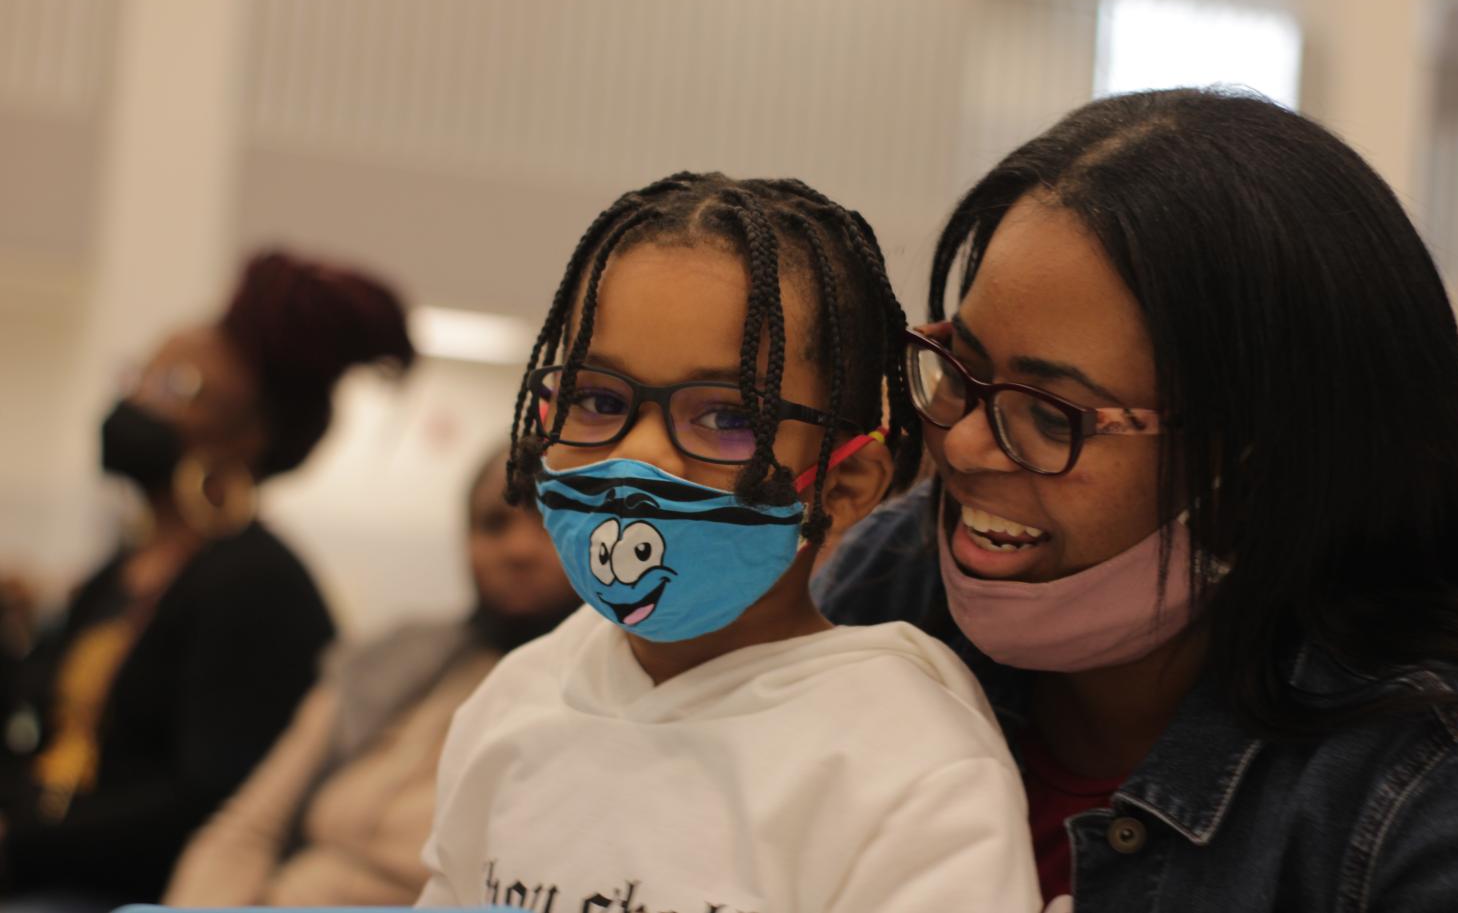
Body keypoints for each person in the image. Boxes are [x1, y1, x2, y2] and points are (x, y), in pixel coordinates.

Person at [814, 88, 1458, 911]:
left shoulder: (1440, 793)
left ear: (1256, 463)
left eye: (1047, 413)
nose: (959, 445)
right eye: (959, 366)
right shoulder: (895, 583)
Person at [419, 173, 1041, 912]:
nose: (641, 455)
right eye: (597, 400)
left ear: (842, 487)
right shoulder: (515, 700)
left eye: (725, 417)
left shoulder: (908, 762)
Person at [0, 250, 413, 904]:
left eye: (176, 386)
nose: (136, 398)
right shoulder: (125, 567)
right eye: (140, 373)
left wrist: (17, 850)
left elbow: (201, 800)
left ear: (246, 434)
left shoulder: (258, 586)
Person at [163, 444, 577, 906]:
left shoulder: (596, 701)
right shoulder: (395, 658)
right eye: (493, 524)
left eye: (548, 520)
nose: (517, 549)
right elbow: (249, 827)